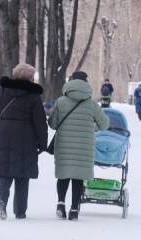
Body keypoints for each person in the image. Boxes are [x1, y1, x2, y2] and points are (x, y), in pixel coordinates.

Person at [48, 71, 109, 221]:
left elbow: (53, 124)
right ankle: (74, 210)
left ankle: (60, 204)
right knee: (78, 177)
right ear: (86, 83)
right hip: (84, 146)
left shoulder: (61, 101)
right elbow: (105, 124)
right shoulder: (92, 104)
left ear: (70, 82)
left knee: (63, 175)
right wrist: (91, 126)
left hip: (64, 145)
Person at [0, 63, 48, 220]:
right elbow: (40, 122)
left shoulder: (1, 91)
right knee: (22, 174)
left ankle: (2, 201)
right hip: (26, 138)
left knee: (5, 170)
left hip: (3, 134)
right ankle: (20, 211)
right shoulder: (33, 96)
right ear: (30, 77)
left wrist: (3, 126)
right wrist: (42, 143)